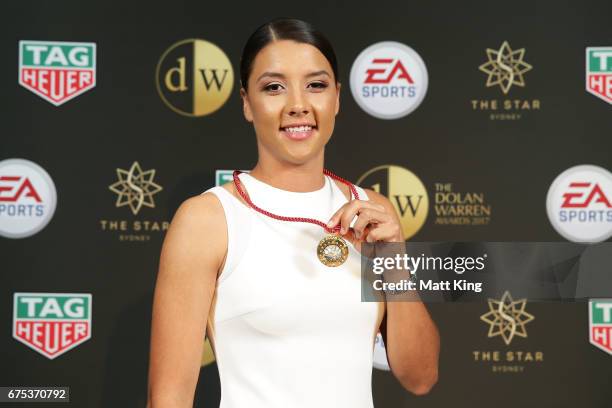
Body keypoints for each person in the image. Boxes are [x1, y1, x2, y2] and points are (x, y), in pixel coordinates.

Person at [147, 18, 439, 408]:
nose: (298, 105)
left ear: (336, 98)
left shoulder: (373, 211)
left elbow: (420, 377)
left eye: (315, 85)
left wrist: (395, 264)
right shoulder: (209, 219)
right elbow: (168, 399)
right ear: (247, 104)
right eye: (274, 87)